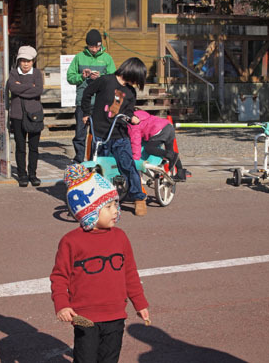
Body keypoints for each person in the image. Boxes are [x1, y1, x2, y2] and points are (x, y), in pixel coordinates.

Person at [50, 164, 150, 363]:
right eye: (108, 207)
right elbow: (60, 276)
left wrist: (140, 303)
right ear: (90, 212)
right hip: (84, 316)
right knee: (85, 358)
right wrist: (62, 305)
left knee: (109, 359)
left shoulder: (120, 237)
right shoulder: (71, 241)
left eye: (115, 205)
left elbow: (129, 272)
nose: (115, 211)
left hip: (116, 315)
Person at [81, 57, 148, 216]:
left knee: (127, 165)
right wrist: (86, 113)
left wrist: (132, 117)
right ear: (131, 72)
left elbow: (129, 111)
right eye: (137, 78)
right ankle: (99, 198)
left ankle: (138, 198)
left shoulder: (130, 92)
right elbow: (87, 93)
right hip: (99, 133)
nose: (136, 83)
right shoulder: (105, 81)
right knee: (98, 169)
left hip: (119, 134)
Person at [67, 29, 116, 163]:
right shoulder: (79, 57)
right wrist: (82, 76)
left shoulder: (107, 58)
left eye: (97, 46)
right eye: (91, 46)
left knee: (97, 133)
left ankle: (95, 159)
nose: (94, 49)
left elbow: (114, 78)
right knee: (80, 133)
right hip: (83, 101)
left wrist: (102, 78)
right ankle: (79, 159)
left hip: (101, 102)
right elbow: (70, 78)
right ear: (87, 45)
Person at [7, 45, 43, 187]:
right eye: (23, 60)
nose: (26, 64)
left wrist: (21, 87)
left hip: (35, 115)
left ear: (33, 61)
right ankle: (22, 174)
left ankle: (32, 174)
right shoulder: (13, 73)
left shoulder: (37, 73)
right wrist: (30, 87)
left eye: (28, 61)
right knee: (20, 147)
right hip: (17, 115)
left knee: (34, 147)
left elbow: (38, 90)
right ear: (19, 61)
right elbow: (13, 88)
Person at [128, 110, 191, 182]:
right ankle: (180, 173)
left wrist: (135, 160)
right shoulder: (140, 114)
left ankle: (169, 155)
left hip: (159, 130)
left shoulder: (132, 126)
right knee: (171, 153)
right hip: (168, 126)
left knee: (149, 148)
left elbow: (136, 143)